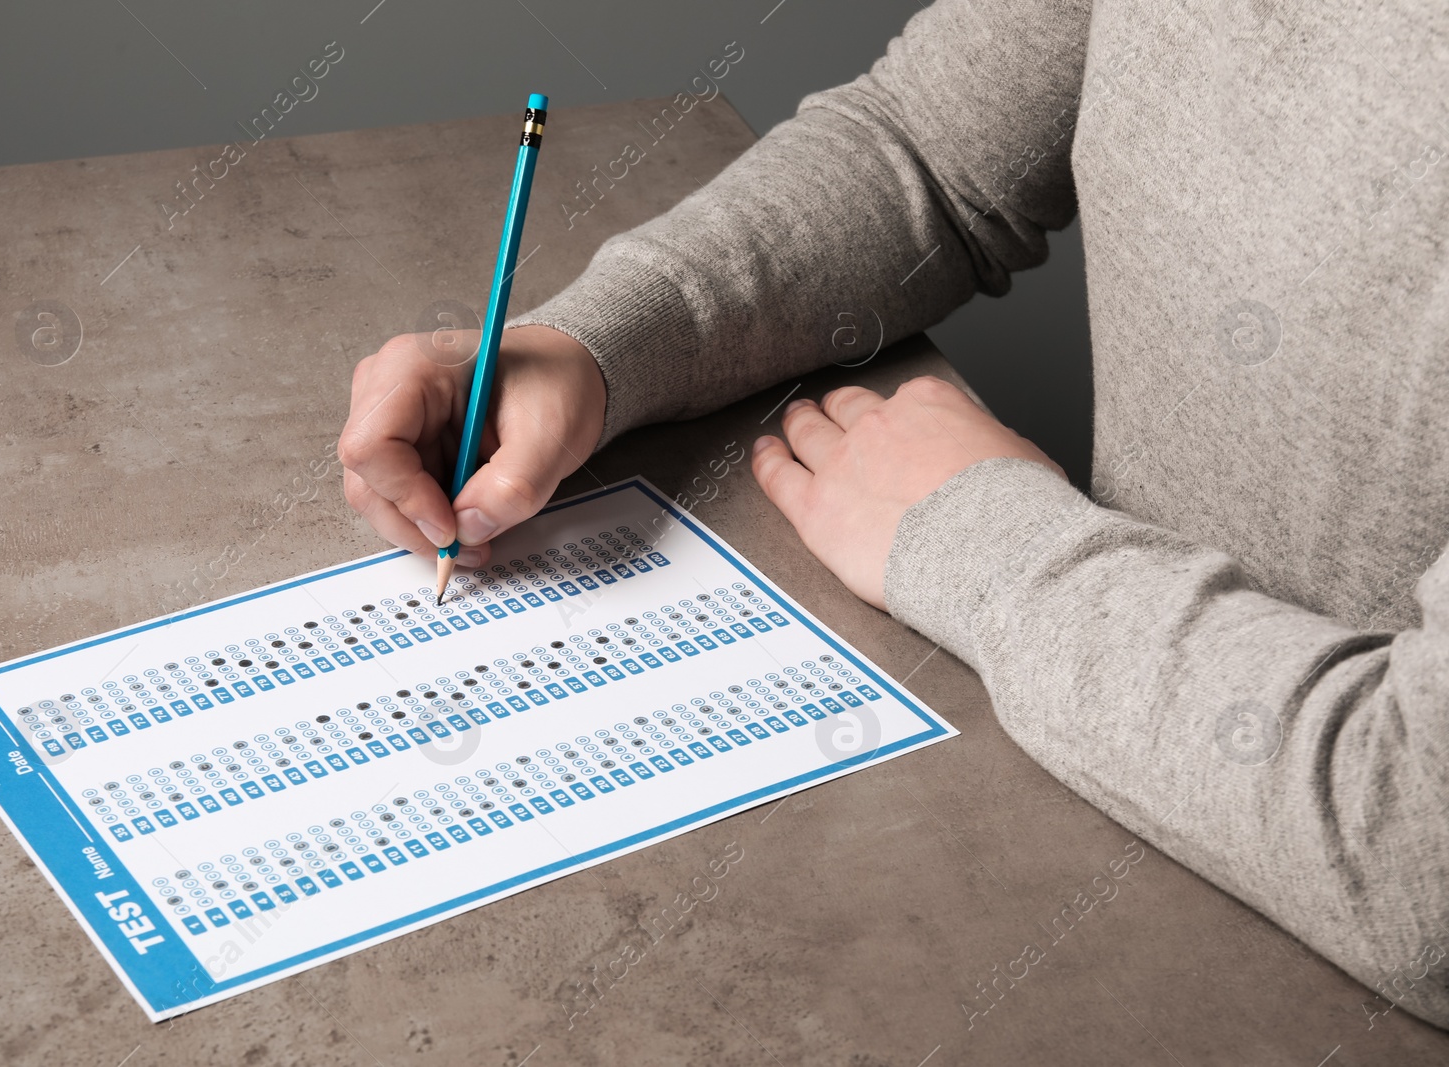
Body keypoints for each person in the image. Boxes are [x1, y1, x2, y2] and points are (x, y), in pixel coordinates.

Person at [338, 0, 1449, 1028]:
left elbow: (1416, 857)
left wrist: (982, 534)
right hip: (1105, 804)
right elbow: (926, 148)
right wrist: (600, 341)